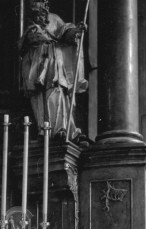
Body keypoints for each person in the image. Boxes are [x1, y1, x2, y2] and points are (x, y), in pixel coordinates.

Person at [18, 0, 88, 141]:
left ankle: (59, 129)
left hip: (53, 62)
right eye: (32, 4)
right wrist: (30, 38)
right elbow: (22, 45)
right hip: (35, 64)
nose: (34, 6)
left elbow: (66, 32)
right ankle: (43, 129)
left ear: (44, 5)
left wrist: (77, 31)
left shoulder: (54, 19)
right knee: (39, 97)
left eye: (37, 2)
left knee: (56, 92)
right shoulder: (29, 24)